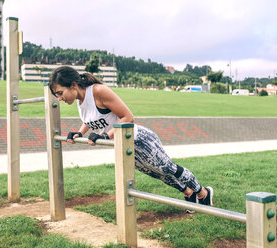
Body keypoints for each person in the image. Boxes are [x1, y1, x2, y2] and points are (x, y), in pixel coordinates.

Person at [49, 66, 213, 209]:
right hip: (123, 144)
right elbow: (91, 120)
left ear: (73, 85)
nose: (59, 98)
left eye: (60, 93)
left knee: (167, 169)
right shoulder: (80, 100)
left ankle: (203, 193)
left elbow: (128, 117)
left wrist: (106, 135)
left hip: (139, 138)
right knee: (157, 174)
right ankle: (188, 192)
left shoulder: (98, 91)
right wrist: (80, 132)